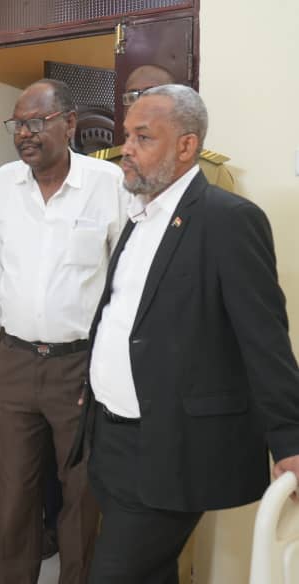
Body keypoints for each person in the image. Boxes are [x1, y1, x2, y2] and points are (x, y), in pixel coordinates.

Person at [78, 84, 299, 584]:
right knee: (152, 573)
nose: (126, 149)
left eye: (142, 137)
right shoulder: (140, 216)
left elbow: (264, 339)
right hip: (111, 440)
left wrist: (290, 439)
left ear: (185, 145)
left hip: (170, 447)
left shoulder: (228, 220)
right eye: (126, 136)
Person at [0, 79, 127, 584]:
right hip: (13, 363)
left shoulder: (107, 184)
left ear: (69, 123)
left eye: (36, 122)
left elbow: (125, 281)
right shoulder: (1, 186)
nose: (24, 134)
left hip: (79, 366)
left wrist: (111, 366)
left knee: (81, 491)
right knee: (14, 492)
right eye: (17, 124)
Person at [90, 64, 235, 191]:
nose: (141, 102)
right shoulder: (103, 168)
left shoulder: (210, 171)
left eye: (153, 93)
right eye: (132, 95)